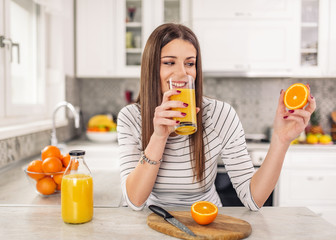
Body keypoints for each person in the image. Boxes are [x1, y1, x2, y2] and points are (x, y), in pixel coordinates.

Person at [116, 23, 316, 211]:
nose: (182, 73)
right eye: (169, 62)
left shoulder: (220, 115)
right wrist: (159, 137)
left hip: (207, 222)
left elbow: (253, 199)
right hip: (153, 221)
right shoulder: (131, 117)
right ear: (151, 68)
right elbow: (134, 201)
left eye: (190, 63)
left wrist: (280, 140)